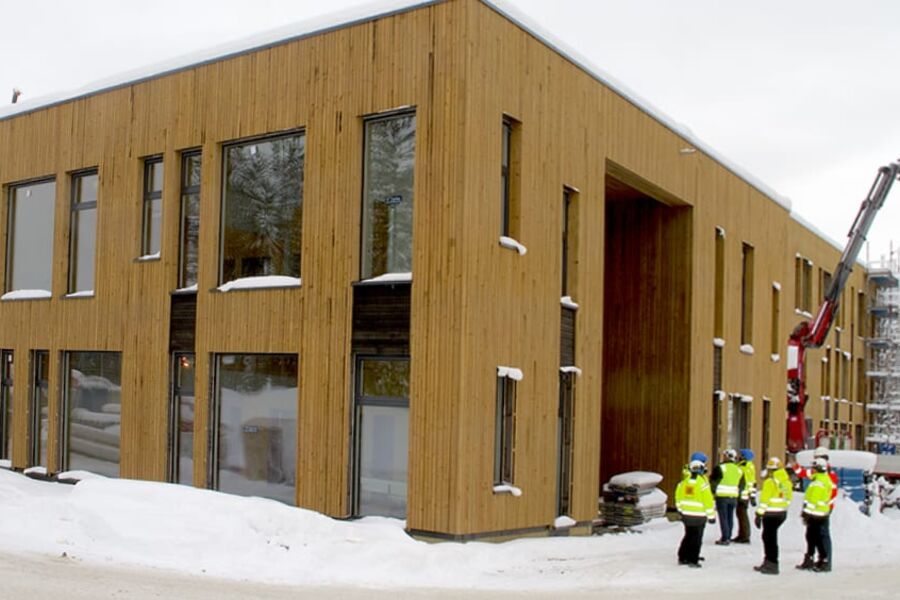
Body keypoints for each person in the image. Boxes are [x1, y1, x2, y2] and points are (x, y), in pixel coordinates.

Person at [793, 446, 838, 569]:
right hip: (819, 510)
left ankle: (824, 560)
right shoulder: (821, 473)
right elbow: (805, 473)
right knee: (812, 535)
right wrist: (796, 468)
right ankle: (813, 558)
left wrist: (823, 508)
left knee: (821, 535)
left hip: (820, 510)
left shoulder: (827, 475)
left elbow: (831, 494)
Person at [753, 457, 793, 574]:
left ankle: (771, 563)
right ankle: (769, 562)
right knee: (771, 538)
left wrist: (759, 514)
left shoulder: (770, 482)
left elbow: (765, 500)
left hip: (770, 514)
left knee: (769, 539)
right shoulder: (786, 482)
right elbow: (788, 498)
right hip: (781, 513)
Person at [675, 454, 716, 568]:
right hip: (699, 516)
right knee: (697, 538)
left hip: (687, 515)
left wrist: (680, 510)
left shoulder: (684, 482)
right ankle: (693, 559)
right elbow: (708, 501)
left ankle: (683, 557)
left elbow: (678, 496)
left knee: (688, 536)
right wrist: (711, 515)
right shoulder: (702, 484)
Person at [799, 457, 834, 572]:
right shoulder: (821, 479)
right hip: (819, 513)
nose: (812, 470)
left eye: (813, 468)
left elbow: (814, 499)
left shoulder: (819, 482)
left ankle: (822, 560)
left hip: (816, 514)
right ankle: (816, 559)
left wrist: (806, 513)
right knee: (812, 537)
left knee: (815, 538)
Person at [710, 448, 745, 545]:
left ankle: (725, 538)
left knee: (723, 517)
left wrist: (713, 492)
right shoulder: (739, 470)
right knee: (730, 517)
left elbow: (713, 481)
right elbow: (742, 484)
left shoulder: (720, 468)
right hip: (733, 496)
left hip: (722, 496)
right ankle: (728, 535)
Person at [734, 448, 758, 543]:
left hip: (742, 495)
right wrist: (752, 496)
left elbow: (743, 482)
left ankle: (744, 536)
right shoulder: (750, 466)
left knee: (742, 516)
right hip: (746, 494)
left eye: (741, 455)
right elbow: (752, 483)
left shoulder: (744, 467)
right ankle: (742, 534)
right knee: (741, 515)